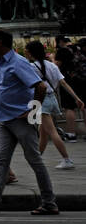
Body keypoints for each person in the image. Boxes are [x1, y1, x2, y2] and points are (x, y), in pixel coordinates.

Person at [0, 29, 58, 215]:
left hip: (20, 120)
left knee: (34, 160)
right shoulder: (0, 62)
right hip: (5, 119)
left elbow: (40, 86)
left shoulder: (18, 62)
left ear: (1, 42)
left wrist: (32, 113)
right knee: (1, 160)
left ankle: (49, 202)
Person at [26, 41, 75, 169]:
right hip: (52, 99)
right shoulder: (52, 66)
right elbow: (63, 83)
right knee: (43, 132)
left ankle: (67, 159)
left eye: (27, 50)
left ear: (31, 53)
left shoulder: (31, 67)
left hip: (40, 101)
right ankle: (37, 158)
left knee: (51, 132)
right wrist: (77, 98)